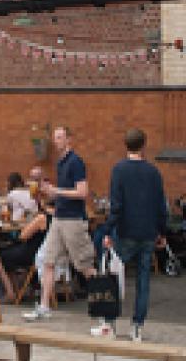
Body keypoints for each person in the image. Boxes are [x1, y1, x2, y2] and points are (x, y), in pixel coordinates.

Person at [95, 128, 169, 341]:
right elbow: (160, 206)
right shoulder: (154, 172)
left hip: (126, 231)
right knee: (143, 280)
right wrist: (161, 232)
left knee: (113, 274)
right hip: (147, 233)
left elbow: (116, 206)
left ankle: (109, 322)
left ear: (125, 145)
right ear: (144, 146)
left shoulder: (119, 170)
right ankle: (137, 325)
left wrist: (108, 230)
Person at [24, 126, 97, 322]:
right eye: (55, 138)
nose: (56, 141)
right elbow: (62, 191)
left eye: (60, 137)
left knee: (84, 266)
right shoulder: (60, 163)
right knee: (48, 262)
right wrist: (48, 193)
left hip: (73, 220)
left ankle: (105, 303)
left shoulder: (76, 162)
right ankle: (44, 306)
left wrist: (57, 191)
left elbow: (82, 192)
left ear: (69, 139)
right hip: (59, 218)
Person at [0, 201, 51, 302]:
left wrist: (27, 225)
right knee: (9, 252)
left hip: (32, 255)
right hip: (44, 254)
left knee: (0, 254)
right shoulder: (59, 219)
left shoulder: (42, 218)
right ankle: (18, 290)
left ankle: (10, 292)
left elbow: (23, 236)